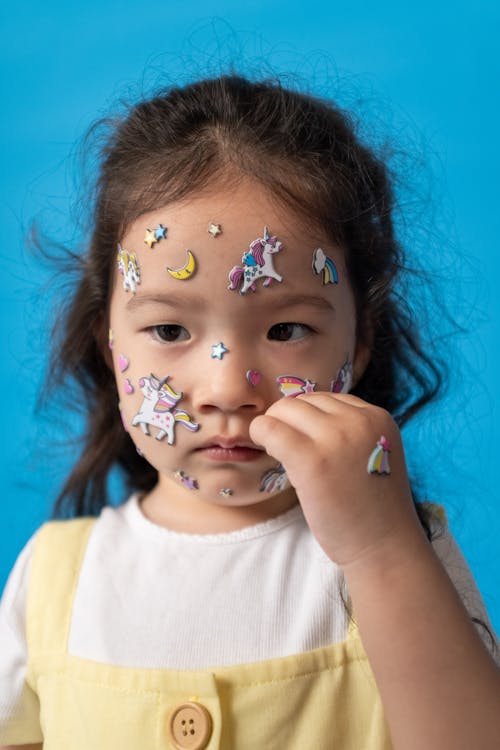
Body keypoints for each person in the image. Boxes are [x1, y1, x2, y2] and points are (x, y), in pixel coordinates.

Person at [1, 74, 499, 750]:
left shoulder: (399, 552)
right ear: (106, 340)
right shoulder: (52, 578)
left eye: (287, 330)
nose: (229, 387)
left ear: (359, 344)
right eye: (171, 332)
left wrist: (382, 551)